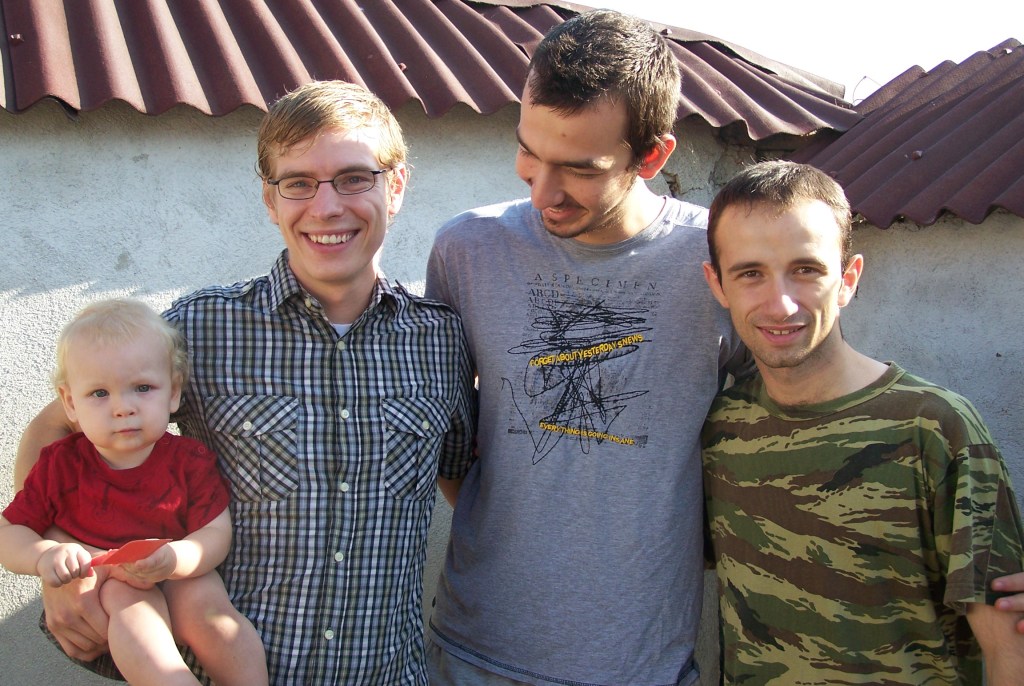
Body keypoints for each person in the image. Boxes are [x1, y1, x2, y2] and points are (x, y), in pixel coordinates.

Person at [17, 80, 475, 684]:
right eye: (298, 183)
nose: (326, 207)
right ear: (269, 199)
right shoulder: (198, 328)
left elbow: (465, 486)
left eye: (353, 178)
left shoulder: (442, 340)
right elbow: (59, 432)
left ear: (395, 186)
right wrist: (64, 569)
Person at [424, 10, 748, 685]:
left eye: (579, 169)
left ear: (651, 157)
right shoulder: (467, 250)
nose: (543, 192)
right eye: (528, 152)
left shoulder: (721, 263)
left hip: (642, 665)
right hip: (474, 654)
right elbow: (450, 444)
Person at [700, 160, 1024, 684]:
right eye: (750, 273)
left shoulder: (935, 429)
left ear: (848, 279)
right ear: (717, 284)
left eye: (806, 269)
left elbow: (1011, 646)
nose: (780, 304)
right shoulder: (720, 429)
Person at [1, 298, 268, 686]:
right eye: (100, 393)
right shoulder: (60, 465)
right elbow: (10, 532)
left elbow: (215, 533)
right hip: (110, 578)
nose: (123, 407)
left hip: (177, 570)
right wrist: (44, 555)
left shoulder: (189, 459)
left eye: (143, 388)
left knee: (213, 613)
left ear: (173, 393)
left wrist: (175, 558)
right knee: (132, 615)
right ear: (70, 403)